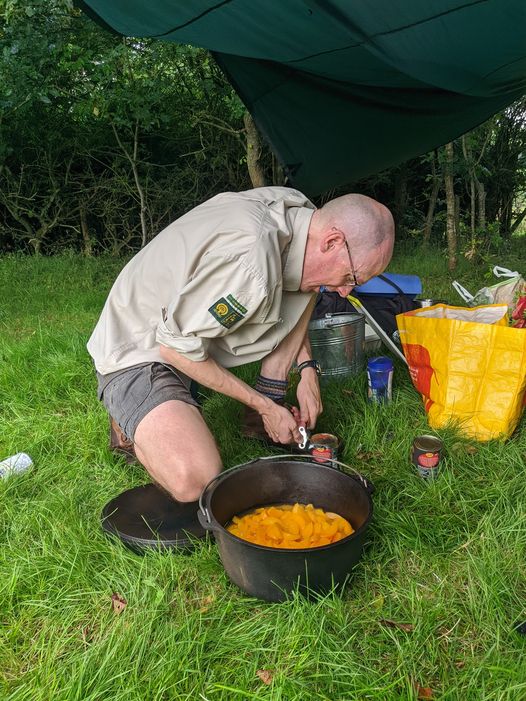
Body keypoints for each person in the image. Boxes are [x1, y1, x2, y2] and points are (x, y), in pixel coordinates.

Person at [87, 186, 394, 503]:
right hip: (141, 346)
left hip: (188, 327)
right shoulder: (250, 265)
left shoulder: (303, 213)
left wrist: (307, 372)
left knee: (312, 282)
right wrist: (265, 406)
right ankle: (131, 420)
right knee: (195, 479)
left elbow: (303, 293)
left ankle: (256, 417)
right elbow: (174, 348)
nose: (345, 293)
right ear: (332, 241)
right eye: (352, 277)